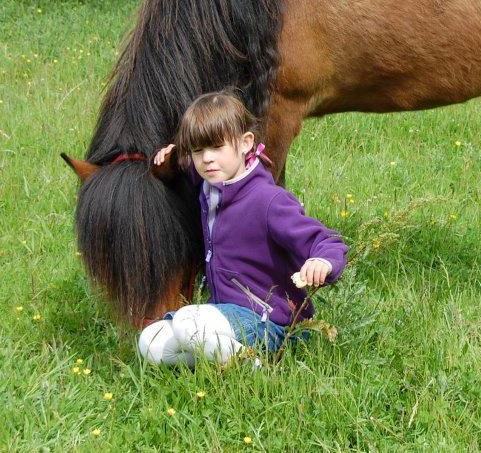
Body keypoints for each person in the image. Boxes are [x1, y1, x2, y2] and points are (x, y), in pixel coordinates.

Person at [137, 90, 348, 368]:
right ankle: (222, 356)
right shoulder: (209, 186)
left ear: (246, 143)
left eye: (216, 148)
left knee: (188, 321)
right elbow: (186, 168)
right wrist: (170, 164)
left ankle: (253, 369)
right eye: (198, 151)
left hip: (272, 322)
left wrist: (323, 261)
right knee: (149, 342)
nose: (207, 159)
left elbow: (326, 240)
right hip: (226, 314)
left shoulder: (269, 201)